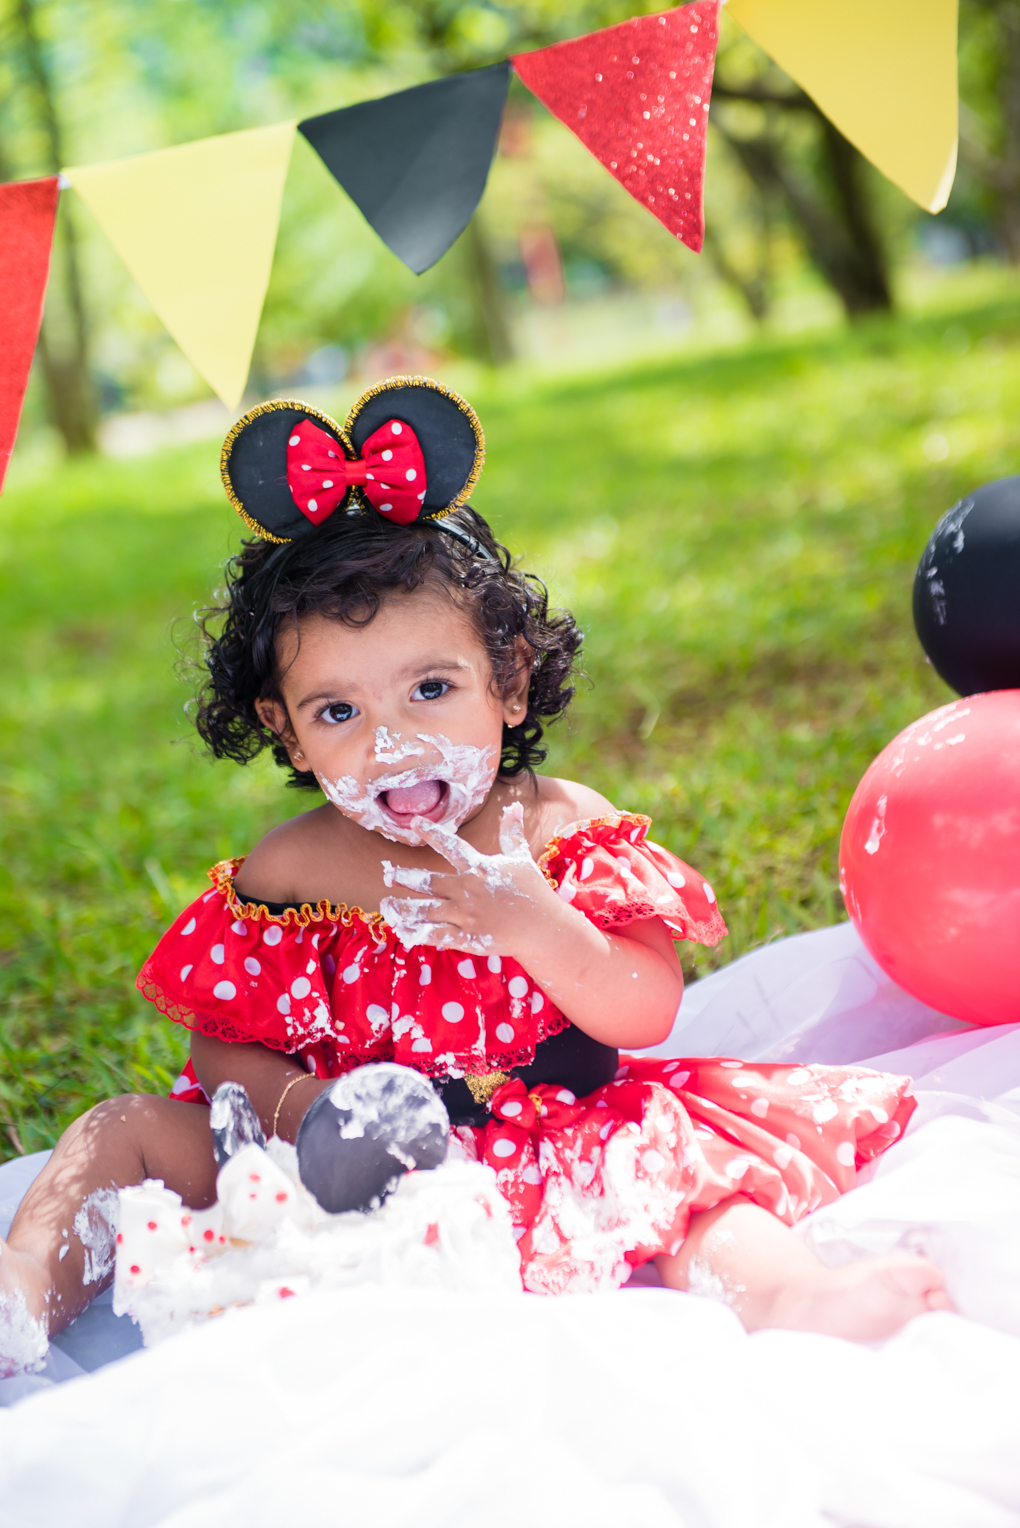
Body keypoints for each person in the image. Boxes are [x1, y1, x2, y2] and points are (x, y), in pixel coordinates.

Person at [0, 378, 951, 1375]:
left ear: (509, 680)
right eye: (338, 713)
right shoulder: (296, 869)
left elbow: (646, 1008)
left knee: (683, 1185)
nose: (393, 741)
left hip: (548, 1135)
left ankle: (791, 1293)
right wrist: (309, 1119)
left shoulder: (557, 829)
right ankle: (27, 1283)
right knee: (125, 1129)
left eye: (431, 688)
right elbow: (225, 1048)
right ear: (284, 729)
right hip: (344, 1169)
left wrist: (534, 922)